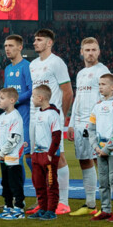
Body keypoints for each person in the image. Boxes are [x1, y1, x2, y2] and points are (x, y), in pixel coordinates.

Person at [28, 29, 74, 215]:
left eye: (39, 40)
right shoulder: (32, 64)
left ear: (49, 43)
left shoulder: (56, 62)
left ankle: (63, 202)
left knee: (58, 157)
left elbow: (68, 91)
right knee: (36, 157)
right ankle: (43, 202)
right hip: (34, 117)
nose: (35, 43)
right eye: (34, 39)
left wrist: (59, 115)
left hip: (51, 118)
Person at [68, 37, 111, 215]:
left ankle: (106, 205)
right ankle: (90, 204)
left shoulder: (103, 71)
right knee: (84, 160)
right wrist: (71, 123)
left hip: (94, 124)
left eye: (94, 49)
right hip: (78, 124)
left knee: (99, 161)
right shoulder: (80, 73)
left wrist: (99, 122)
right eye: (87, 50)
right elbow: (77, 98)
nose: (90, 53)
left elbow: (106, 98)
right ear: (82, 52)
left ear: (99, 51)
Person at [87, 73, 113, 221]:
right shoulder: (97, 106)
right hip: (99, 150)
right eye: (99, 84)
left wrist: (106, 148)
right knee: (103, 181)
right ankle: (105, 209)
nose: (100, 87)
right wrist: (96, 147)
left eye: (103, 84)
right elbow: (91, 128)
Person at [28, 84, 63, 221]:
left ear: (41, 98)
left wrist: (51, 153)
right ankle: (42, 208)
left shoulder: (53, 114)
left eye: (33, 97)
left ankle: (51, 210)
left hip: (48, 155)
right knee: (38, 182)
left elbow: (57, 134)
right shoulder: (38, 113)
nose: (32, 100)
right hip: (37, 154)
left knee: (51, 183)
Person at [3, 35, 32, 182]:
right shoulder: (8, 69)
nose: (7, 49)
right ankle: (17, 197)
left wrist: (15, 100)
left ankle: (44, 195)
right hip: (11, 117)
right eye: (6, 46)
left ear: (20, 47)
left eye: (11, 46)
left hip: (25, 117)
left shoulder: (27, 66)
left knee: (28, 156)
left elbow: (32, 90)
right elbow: (7, 91)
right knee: (13, 158)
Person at [0, 86, 26, 219]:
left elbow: (14, 138)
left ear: (12, 100)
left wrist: (2, 151)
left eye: (2, 98)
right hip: (2, 157)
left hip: (13, 157)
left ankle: (18, 208)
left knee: (15, 183)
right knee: (5, 183)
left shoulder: (16, 117)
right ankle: (8, 207)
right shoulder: (1, 117)